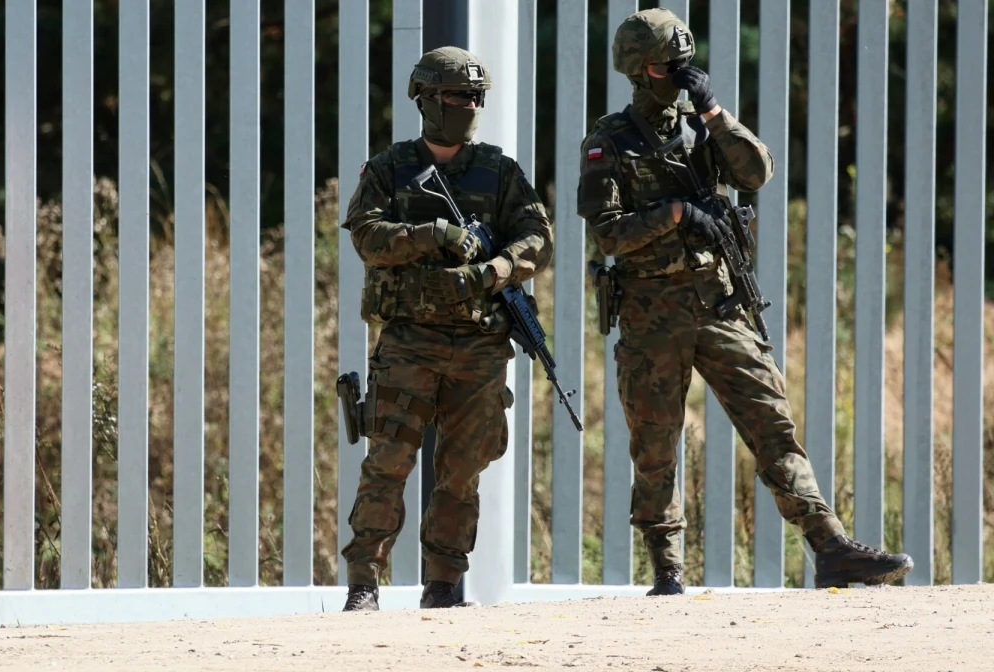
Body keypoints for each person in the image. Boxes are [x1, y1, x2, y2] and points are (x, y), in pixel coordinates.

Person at [577, 8, 913, 595]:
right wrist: (677, 213)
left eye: (685, 62)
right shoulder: (610, 140)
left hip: (718, 303)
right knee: (655, 442)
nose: (680, 72)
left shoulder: (702, 127)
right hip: (651, 312)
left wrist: (714, 111)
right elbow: (607, 233)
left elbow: (756, 172)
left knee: (772, 424)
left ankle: (830, 547)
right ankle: (667, 569)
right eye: (667, 65)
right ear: (638, 70)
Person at [338, 46, 554, 611]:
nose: (469, 105)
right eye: (458, 95)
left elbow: (537, 239)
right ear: (429, 100)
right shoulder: (390, 169)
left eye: (476, 96)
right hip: (410, 341)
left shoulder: (500, 171)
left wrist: (496, 269)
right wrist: (431, 234)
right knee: (387, 462)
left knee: (462, 472)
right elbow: (366, 236)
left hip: (480, 344)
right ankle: (364, 582)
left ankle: (442, 586)